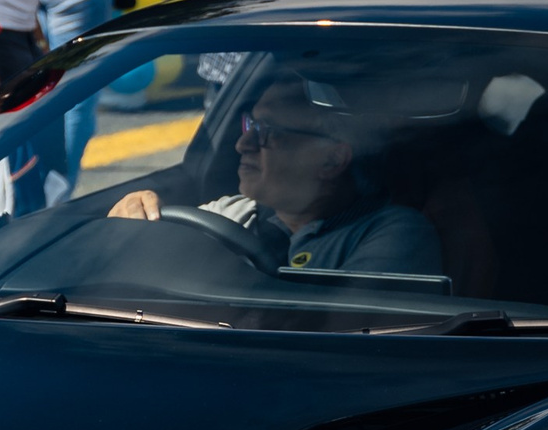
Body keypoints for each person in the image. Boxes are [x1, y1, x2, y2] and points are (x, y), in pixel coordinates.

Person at [109, 74, 443, 279]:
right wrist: (133, 223)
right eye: (250, 125)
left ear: (333, 159)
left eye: (267, 131)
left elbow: (344, 332)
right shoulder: (235, 211)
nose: (243, 143)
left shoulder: (394, 233)